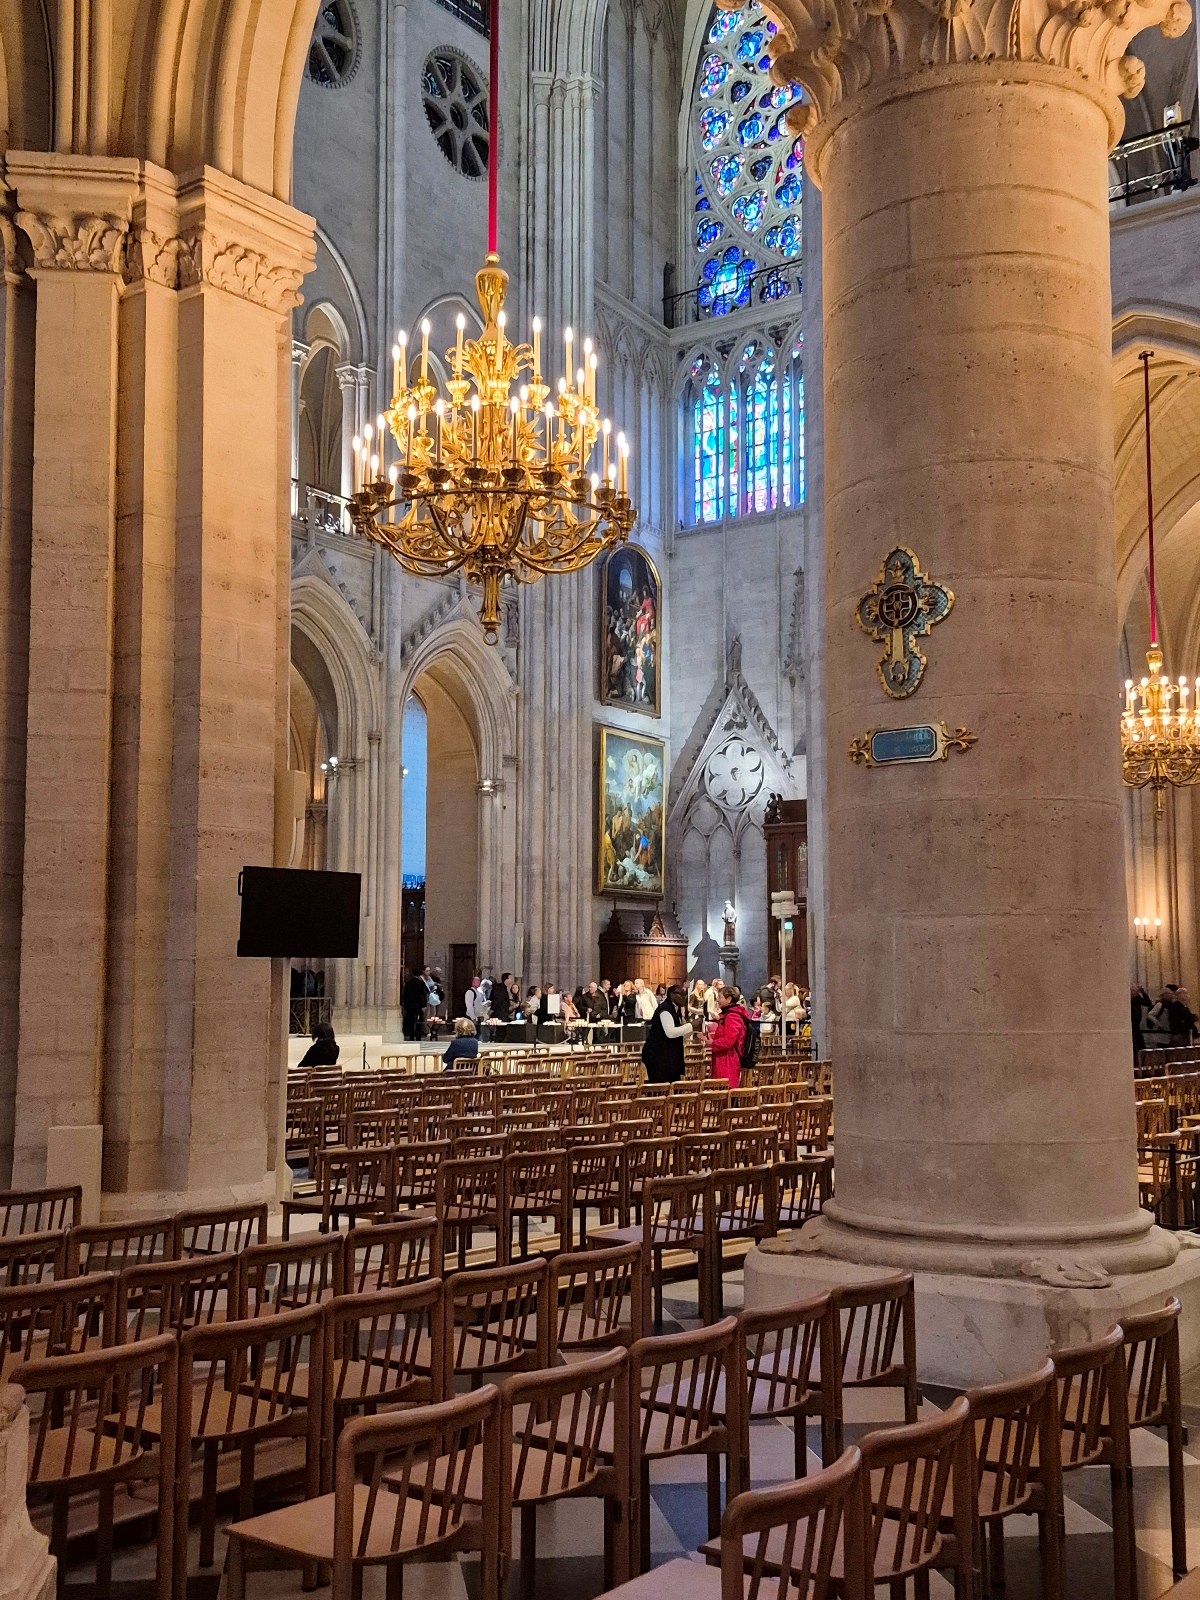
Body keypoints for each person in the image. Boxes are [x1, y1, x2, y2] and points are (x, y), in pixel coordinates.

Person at [642, 983, 693, 1083]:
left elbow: (680, 1033)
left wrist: (691, 1030)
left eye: (684, 994)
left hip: (669, 1056)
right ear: (671, 995)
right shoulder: (665, 1009)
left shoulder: (676, 1009)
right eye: (680, 994)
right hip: (658, 1057)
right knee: (661, 1087)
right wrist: (691, 1026)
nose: (683, 997)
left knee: (673, 1085)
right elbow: (670, 1032)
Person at [708, 985, 750, 1089]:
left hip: (728, 1061)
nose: (717, 1000)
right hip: (725, 1059)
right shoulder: (729, 1014)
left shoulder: (732, 1016)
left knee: (727, 1091)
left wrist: (712, 1043)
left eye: (720, 997)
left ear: (729, 999)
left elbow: (729, 1041)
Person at [402, 969, 429, 1041]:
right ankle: (418, 1035)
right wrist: (424, 1005)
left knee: (411, 1020)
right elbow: (423, 995)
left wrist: (405, 1006)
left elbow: (405, 995)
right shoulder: (421, 983)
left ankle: (411, 1035)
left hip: (410, 1005)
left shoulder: (409, 983)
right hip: (419, 1005)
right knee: (419, 1021)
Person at [1131, 983, 1151, 1061]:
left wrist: (1143, 993)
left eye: (1135, 991)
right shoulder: (1127, 1000)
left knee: (1140, 1044)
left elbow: (1147, 1003)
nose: (1135, 993)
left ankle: (1142, 1060)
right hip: (1132, 1025)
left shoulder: (1137, 999)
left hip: (1136, 1026)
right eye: (1133, 991)